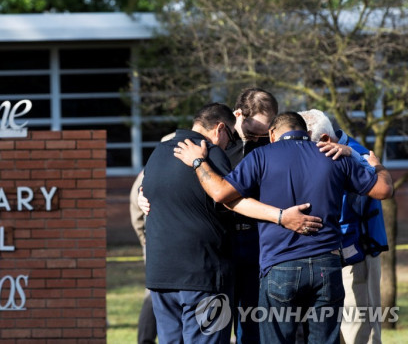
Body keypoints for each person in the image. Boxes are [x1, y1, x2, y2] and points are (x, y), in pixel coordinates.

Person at [172, 111, 394, 344]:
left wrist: (198, 162)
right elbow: (384, 190)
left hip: (279, 265)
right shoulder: (334, 155)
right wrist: (377, 166)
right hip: (327, 265)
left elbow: (220, 193)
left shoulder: (261, 156)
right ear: (308, 134)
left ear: (272, 134)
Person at [142, 104, 323, 343]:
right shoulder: (212, 154)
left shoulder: (159, 152)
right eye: (230, 135)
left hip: (161, 275)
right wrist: (281, 217)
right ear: (220, 128)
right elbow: (232, 202)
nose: (230, 144)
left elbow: (148, 193)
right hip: (202, 273)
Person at [299, 109, 388, 344]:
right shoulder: (329, 152)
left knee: (360, 329)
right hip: (329, 255)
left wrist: (351, 156)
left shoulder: (356, 153)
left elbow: (381, 182)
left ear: (326, 140)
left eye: (308, 146)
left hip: (356, 254)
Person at [226, 87, 278, 344]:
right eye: (253, 132)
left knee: (253, 322)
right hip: (223, 243)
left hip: (260, 243)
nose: (258, 139)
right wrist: (142, 193)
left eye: (264, 133)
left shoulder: (273, 146)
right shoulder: (219, 145)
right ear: (238, 115)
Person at [129, 132, 175, 344]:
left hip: (160, 241)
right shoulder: (150, 172)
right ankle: (145, 339)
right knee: (153, 294)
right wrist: (145, 240)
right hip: (155, 241)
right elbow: (135, 209)